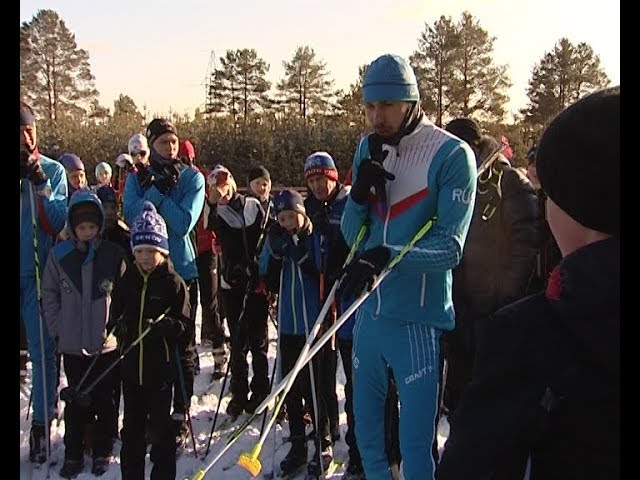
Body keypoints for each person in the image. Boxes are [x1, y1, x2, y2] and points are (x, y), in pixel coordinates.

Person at [438, 86, 620, 480]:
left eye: (550, 196)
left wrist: (502, 307)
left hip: (493, 311)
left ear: (575, 204)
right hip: (465, 308)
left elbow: (473, 464)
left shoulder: (532, 336)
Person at [338, 54, 477, 480]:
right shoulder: (368, 146)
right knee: (367, 439)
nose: (377, 117)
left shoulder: (452, 154)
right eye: (370, 107)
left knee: (417, 451)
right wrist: (358, 195)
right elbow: (350, 235)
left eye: (388, 106)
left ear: (411, 102)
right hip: (370, 316)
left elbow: (450, 249)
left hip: (418, 323)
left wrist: (387, 254)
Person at [441, 118, 540, 417]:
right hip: (456, 308)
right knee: (459, 395)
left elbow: (526, 243)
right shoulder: (449, 183)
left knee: (490, 397)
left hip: (493, 311)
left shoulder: (507, 182)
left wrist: (504, 300)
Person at [122, 118, 205, 450]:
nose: (170, 148)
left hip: (181, 271)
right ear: (151, 145)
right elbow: (134, 217)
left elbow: (185, 223)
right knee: (148, 345)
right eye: (162, 143)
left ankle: (179, 411)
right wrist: (157, 189)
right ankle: (149, 413)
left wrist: (160, 196)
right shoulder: (137, 179)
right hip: (144, 272)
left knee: (181, 346)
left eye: (174, 142)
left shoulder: (192, 177)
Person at [41, 189, 127, 477]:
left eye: (92, 227)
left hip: (105, 345)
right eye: (82, 227)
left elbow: (125, 294)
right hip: (73, 345)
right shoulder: (59, 256)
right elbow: (49, 294)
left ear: (99, 225)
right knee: (76, 403)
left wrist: (119, 327)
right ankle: (74, 452)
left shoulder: (112, 254)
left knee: (105, 400)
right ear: (73, 227)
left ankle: (102, 448)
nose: (87, 232)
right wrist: (57, 328)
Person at [109, 201, 192, 479]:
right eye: (140, 251)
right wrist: (119, 327)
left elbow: (185, 328)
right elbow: (115, 316)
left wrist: (168, 326)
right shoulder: (127, 280)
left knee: (161, 434)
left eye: (151, 251)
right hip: (132, 372)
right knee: (131, 432)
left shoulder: (173, 283)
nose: (145, 257)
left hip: (160, 374)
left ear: (162, 250)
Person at [261, 188, 334, 477]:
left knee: (315, 385)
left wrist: (302, 253)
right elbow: (265, 273)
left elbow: (323, 270)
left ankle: (322, 439)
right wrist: (273, 258)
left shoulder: (315, 234)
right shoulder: (276, 236)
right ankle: (298, 443)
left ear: (302, 215)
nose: (288, 222)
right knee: (289, 385)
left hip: (312, 321)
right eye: (283, 217)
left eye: (293, 216)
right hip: (289, 322)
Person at [20, 100, 69, 464]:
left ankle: (41, 421)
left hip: (37, 275)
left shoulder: (51, 171)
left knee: (42, 352)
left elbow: (57, 222)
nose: (25, 137)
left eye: (29, 129)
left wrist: (40, 186)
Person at [205, 165, 271, 416]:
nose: (223, 192)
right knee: (238, 341)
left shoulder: (253, 206)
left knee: (259, 341)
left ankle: (261, 390)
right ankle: (239, 392)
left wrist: (260, 270)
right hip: (231, 283)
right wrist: (212, 203)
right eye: (217, 188)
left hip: (255, 283)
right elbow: (209, 226)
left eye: (225, 185)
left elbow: (266, 236)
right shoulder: (217, 213)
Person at [178, 139, 227, 380]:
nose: (185, 163)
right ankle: (192, 354)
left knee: (211, 303)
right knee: (190, 305)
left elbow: (219, 191)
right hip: (188, 253)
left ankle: (219, 353)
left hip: (206, 250)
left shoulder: (201, 179)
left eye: (188, 159)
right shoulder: (176, 183)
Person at [526, 145, 562, 293]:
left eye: (538, 166)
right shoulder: (522, 193)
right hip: (530, 271)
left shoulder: (554, 197)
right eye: (532, 166)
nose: (535, 171)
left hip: (551, 270)